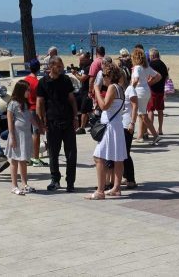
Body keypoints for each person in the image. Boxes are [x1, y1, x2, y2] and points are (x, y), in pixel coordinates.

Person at [85, 61, 127, 199]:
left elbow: (104, 106)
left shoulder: (112, 88)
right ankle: (116, 188)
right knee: (118, 158)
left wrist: (96, 90)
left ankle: (100, 191)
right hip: (117, 126)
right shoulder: (121, 88)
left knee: (98, 157)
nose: (102, 77)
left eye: (104, 75)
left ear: (109, 75)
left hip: (110, 127)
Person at [37, 56, 78, 192]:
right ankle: (55, 180)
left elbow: (72, 99)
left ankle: (70, 182)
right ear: (51, 66)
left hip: (67, 121)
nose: (61, 69)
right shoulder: (43, 82)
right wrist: (41, 121)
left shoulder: (66, 80)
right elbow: (40, 103)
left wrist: (75, 117)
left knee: (71, 153)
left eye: (61, 66)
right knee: (53, 153)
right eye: (59, 67)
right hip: (52, 122)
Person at [5, 81, 40, 194]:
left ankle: (25, 184)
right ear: (21, 90)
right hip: (16, 135)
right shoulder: (13, 103)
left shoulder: (25, 103)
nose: (29, 92)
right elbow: (10, 120)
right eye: (28, 90)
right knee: (14, 160)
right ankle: (14, 185)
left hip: (25, 135)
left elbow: (30, 118)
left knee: (23, 160)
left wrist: (40, 127)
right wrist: (12, 137)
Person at [130, 47, 159, 144]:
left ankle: (154, 135)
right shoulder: (146, 67)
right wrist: (149, 83)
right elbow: (158, 76)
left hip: (139, 92)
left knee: (142, 115)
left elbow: (136, 79)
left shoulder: (137, 68)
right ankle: (141, 136)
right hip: (146, 91)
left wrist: (130, 89)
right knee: (142, 114)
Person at [23, 58, 45, 166]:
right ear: (38, 68)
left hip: (26, 109)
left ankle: (28, 157)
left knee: (28, 133)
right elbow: (40, 100)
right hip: (34, 109)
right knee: (36, 133)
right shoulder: (37, 82)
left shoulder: (25, 80)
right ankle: (35, 157)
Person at [121, 73, 140, 189]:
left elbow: (135, 106)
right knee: (122, 153)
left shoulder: (130, 89)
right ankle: (125, 176)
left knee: (126, 152)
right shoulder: (119, 89)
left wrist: (132, 123)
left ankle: (131, 179)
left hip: (127, 124)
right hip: (120, 124)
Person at [148, 48, 169, 135]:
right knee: (160, 110)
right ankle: (160, 129)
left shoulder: (151, 64)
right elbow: (167, 77)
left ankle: (151, 129)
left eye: (150, 55)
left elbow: (149, 76)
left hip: (152, 89)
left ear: (152, 55)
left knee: (150, 110)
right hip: (161, 89)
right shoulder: (163, 64)